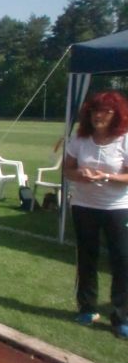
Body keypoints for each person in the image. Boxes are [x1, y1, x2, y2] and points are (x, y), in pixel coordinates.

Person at [64, 90, 128, 338]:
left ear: (116, 115)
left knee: (121, 260)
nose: (98, 116)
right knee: (87, 258)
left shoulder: (124, 139)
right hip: (84, 205)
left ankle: (121, 316)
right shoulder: (80, 139)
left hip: (117, 207)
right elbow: (68, 169)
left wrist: (107, 176)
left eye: (105, 111)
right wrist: (79, 174)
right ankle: (88, 308)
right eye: (94, 111)